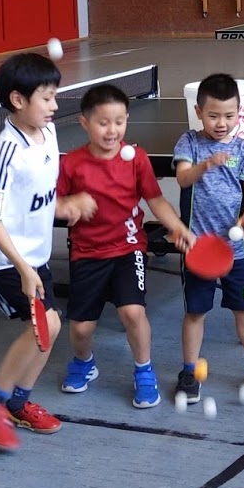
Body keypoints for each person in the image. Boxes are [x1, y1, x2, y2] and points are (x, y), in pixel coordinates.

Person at [0, 53, 98, 450]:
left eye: (55, 96)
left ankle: (19, 403)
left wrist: (64, 205)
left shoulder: (48, 134)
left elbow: (36, 197)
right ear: (18, 100)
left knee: (50, 327)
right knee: (46, 327)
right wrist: (23, 268)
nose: (55, 106)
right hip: (2, 259)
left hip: (35, 256)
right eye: (46, 98)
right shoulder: (5, 157)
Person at [56, 84, 195, 408]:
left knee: (133, 312)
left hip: (128, 247)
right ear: (84, 123)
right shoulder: (72, 164)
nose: (112, 130)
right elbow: (51, 203)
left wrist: (177, 227)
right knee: (81, 328)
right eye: (103, 122)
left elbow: (155, 199)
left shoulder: (136, 159)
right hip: (87, 253)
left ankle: (144, 372)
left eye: (119, 122)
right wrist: (69, 204)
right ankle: (84, 362)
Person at [171, 74, 244, 405]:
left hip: (236, 249)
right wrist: (206, 164)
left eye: (229, 115)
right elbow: (182, 178)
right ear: (198, 112)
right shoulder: (189, 143)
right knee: (196, 312)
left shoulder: (243, 148)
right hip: (199, 249)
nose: (221, 123)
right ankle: (189, 371)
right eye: (213, 115)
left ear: (240, 112)